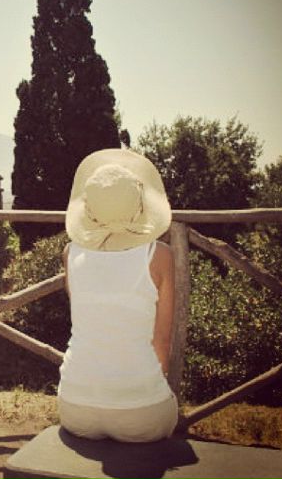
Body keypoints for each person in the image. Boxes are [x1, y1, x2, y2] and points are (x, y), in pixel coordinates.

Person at [58, 148, 178, 442]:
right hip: (141, 413)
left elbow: (91, 319)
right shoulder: (159, 256)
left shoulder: (70, 253)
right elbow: (162, 340)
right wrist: (148, 388)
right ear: (140, 203)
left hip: (74, 407)